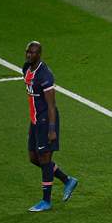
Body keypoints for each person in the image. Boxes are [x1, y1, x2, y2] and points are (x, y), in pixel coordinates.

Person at [23, 41, 78, 212]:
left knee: (45, 159)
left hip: (46, 121)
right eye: (28, 52)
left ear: (39, 54)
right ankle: (67, 180)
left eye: (33, 52)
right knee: (34, 158)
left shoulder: (44, 75)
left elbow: (51, 105)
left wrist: (52, 129)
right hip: (35, 120)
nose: (29, 55)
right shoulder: (26, 68)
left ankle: (46, 201)